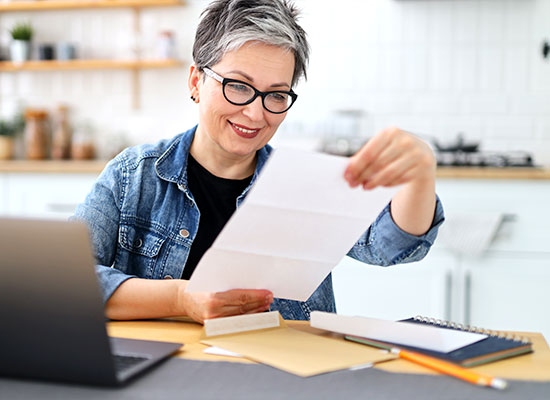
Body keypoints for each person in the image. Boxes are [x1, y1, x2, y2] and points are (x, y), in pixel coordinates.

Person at [73, 0, 444, 324]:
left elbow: (392, 245)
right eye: (237, 85)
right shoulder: (133, 177)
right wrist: (180, 299)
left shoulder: (304, 185)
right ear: (196, 82)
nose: (255, 113)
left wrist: (420, 175)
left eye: (276, 95)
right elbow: (66, 280)